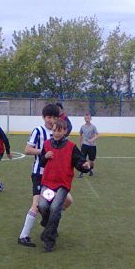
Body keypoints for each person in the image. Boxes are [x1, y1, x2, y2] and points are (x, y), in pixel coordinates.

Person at [17, 103, 73, 247]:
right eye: (48, 117)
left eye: (54, 117)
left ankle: (50, 222)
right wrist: (44, 152)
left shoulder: (58, 132)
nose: (51, 120)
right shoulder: (38, 131)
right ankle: (23, 236)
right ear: (43, 117)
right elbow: (27, 149)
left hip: (54, 177)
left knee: (68, 201)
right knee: (36, 205)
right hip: (40, 175)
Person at [38, 118, 92, 252]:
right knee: (42, 206)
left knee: (55, 208)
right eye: (54, 130)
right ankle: (49, 226)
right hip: (47, 183)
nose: (56, 133)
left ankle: (49, 240)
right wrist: (45, 157)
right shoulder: (46, 144)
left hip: (62, 185)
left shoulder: (71, 147)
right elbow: (41, 162)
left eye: (59, 130)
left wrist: (85, 166)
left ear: (65, 131)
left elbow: (79, 162)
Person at [78, 113, 100, 178]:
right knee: (82, 159)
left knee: (91, 160)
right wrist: (80, 144)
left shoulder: (93, 127)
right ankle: (81, 172)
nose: (87, 119)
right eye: (85, 118)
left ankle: (91, 169)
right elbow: (80, 135)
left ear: (90, 119)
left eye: (88, 118)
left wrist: (92, 140)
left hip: (92, 146)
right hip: (84, 145)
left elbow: (97, 135)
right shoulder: (82, 127)